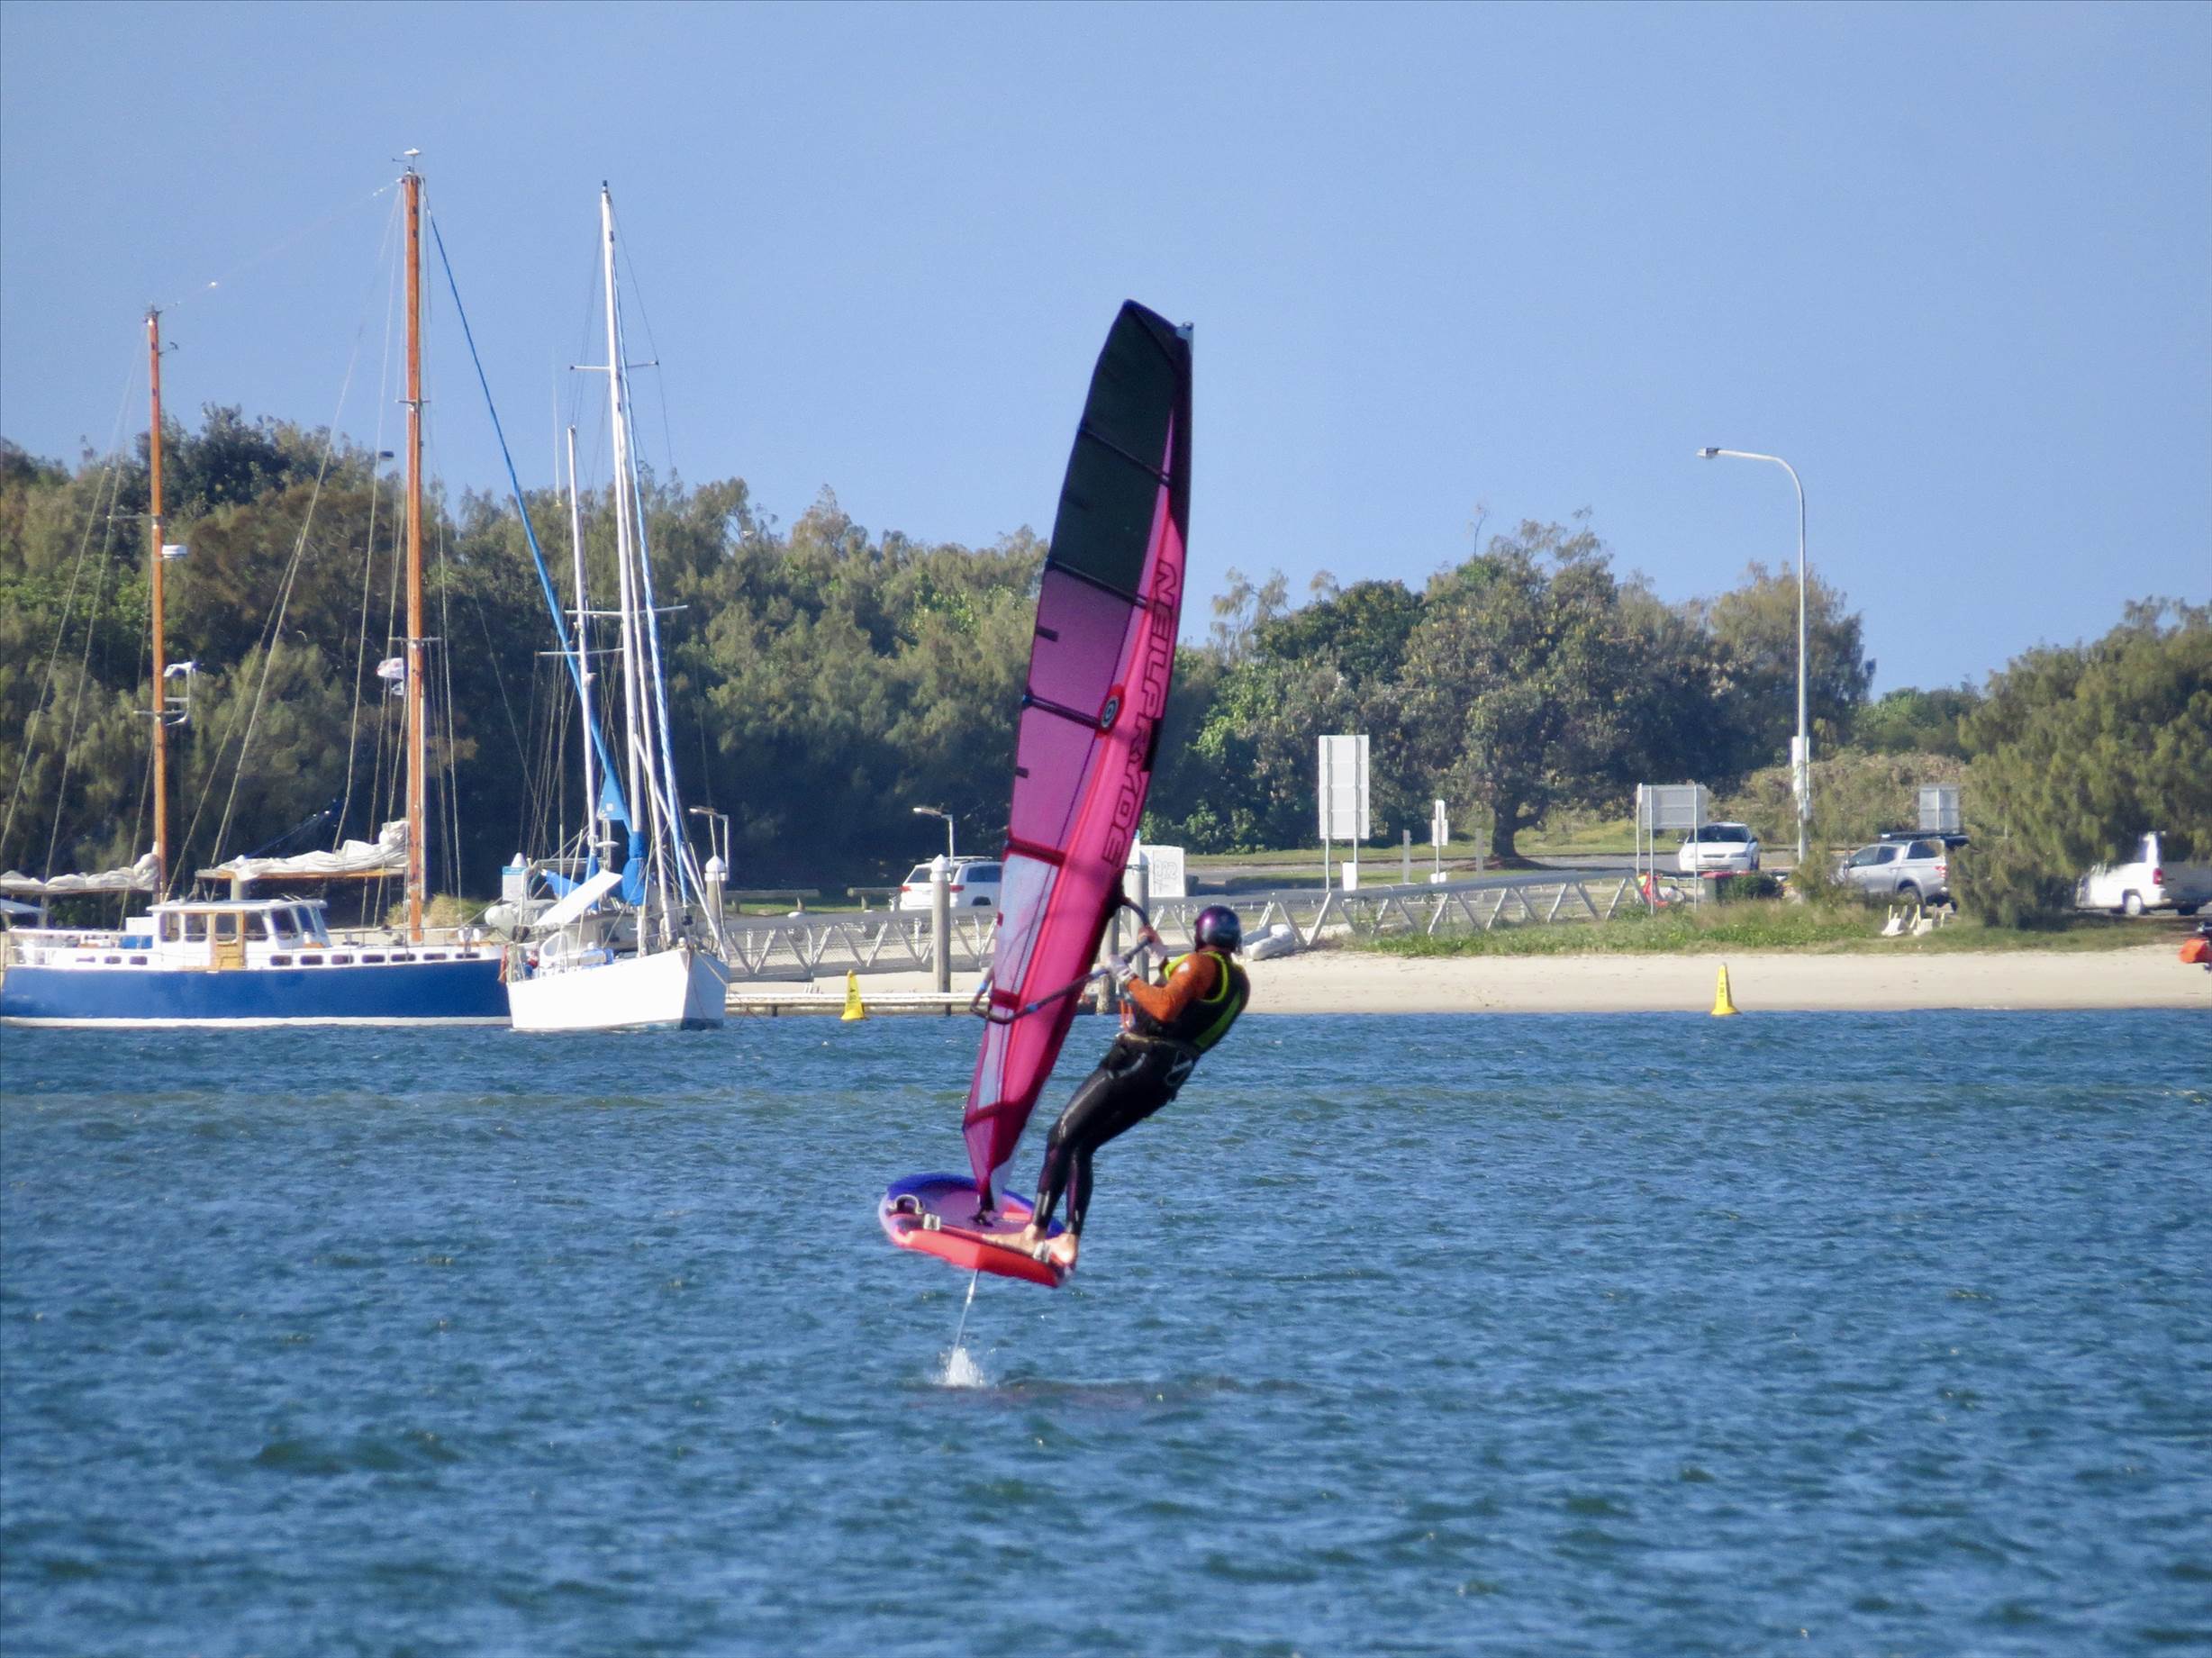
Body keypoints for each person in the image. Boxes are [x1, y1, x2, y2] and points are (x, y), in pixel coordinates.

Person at [1012, 903, 1249, 1272]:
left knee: (1061, 1137)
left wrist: (1124, 975)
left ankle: (1033, 1233)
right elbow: (1191, 999)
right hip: (1167, 1079)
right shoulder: (1238, 983)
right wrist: (1161, 958)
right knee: (1082, 1146)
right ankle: (1070, 1239)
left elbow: (1166, 1007)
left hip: (1136, 1063)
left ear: (1201, 935)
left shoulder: (1199, 964)